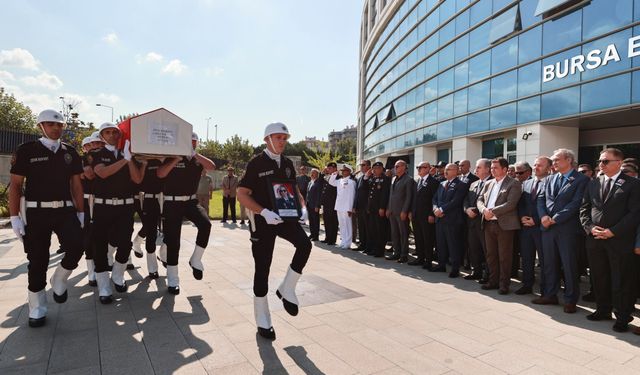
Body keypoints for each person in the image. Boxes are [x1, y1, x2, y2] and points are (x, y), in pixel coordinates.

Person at [9, 109, 85, 327]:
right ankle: (37, 308)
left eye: (59, 125)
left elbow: (76, 185)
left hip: (64, 211)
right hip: (36, 212)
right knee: (38, 260)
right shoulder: (27, 151)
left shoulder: (70, 152)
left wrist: (80, 212)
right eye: (51, 124)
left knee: (77, 245)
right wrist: (14, 216)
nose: (56, 128)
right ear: (41, 126)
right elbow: (16, 184)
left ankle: (59, 278)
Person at [236, 122, 311, 341]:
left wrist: (302, 207)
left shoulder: (287, 163)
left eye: (285, 138)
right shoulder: (256, 163)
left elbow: (293, 189)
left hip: (285, 216)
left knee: (305, 245)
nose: (282, 141)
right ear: (267, 139)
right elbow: (242, 193)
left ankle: (287, 288)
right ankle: (262, 318)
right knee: (263, 267)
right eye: (278, 137)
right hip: (263, 219)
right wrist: (263, 212)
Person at [580, 148, 640, 332]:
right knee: (599, 277)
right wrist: (590, 228)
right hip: (595, 239)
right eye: (600, 161)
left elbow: (634, 214)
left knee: (620, 279)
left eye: (605, 161)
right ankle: (603, 309)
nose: (601, 165)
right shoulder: (594, 183)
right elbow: (584, 209)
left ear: (619, 163)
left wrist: (612, 231)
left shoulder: (632, 184)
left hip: (619, 241)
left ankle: (622, 316)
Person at [90, 122, 145, 304]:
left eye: (115, 132)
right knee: (99, 246)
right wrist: (126, 160)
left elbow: (137, 180)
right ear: (102, 136)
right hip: (103, 206)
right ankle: (104, 287)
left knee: (124, 244)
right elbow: (102, 173)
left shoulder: (126, 154)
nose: (113, 135)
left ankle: (118, 274)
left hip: (125, 206)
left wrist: (131, 160)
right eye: (108, 132)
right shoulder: (96, 154)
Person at [156, 132, 215, 294]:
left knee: (205, 224)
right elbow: (160, 174)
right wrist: (176, 158)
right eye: (189, 141)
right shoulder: (172, 156)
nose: (192, 144)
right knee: (173, 241)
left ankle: (195, 260)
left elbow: (211, 166)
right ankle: (173, 279)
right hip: (172, 201)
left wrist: (195, 154)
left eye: (194, 142)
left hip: (190, 201)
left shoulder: (197, 160)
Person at [533, 149, 589, 313]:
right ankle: (550, 295)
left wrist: (555, 218)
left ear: (569, 160)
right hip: (548, 228)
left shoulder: (581, 180)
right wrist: (543, 216)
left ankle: (571, 299)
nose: (554, 163)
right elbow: (541, 199)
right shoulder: (549, 178)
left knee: (569, 265)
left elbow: (576, 203)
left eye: (557, 160)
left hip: (567, 229)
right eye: (553, 160)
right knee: (549, 263)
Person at [476, 158, 522, 294]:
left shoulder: (514, 183)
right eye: (491, 168)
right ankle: (493, 281)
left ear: (504, 169)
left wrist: (492, 211)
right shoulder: (489, 183)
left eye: (495, 168)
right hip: (488, 223)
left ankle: (504, 284)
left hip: (504, 225)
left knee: (504, 256)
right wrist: (484, 210)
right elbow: (479, 199)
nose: (492, 170)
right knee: (491, 255)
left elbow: (511, 203)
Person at [516, 156, 551, 295]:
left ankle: (545, 288)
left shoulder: (551, 183)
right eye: (535, 165)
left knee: (545, 260)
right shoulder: (526, 184)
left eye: (540, 165)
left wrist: (535, 220)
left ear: (549, 168)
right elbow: (520, 204)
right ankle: (527, 284)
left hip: (543, 228)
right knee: (526, 257)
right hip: (526, 228)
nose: (536, 167)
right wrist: (521, 217)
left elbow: (550, 207)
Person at [431, 163, 467, 277]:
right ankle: (441, 265)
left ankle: (455, 269)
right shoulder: (441, 183)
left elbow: (456, 201)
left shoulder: (461, 184)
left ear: (456, 171)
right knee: (441, 244)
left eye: (448, 170)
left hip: (452, 220)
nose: (445, 172)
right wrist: (436, 208)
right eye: (445, 169)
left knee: (453, 245)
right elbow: (435, 198)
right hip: (440, 219)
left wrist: (442, 209)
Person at [79, 132, 104, 287]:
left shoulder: (106, 157)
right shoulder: (82, 160)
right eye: (90, 145)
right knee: (88, 237)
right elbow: (89, 176)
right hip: (87, 200)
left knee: (105, 236)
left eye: (97, 144)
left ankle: (104, 263)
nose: (94, 147)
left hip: (102, 200)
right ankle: (91, 273)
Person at [131, 158, 163, 279]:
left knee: (164, 230)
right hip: (143, 197)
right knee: (150, 231)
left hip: (163, 198)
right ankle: (152, 268)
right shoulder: (139, 158)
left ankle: (162, 254)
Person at [463, 158, 492, 281]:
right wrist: (466, 209)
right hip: (471, 222)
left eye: (479, 167)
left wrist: (476, 210)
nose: (475, 170)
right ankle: (476, 271)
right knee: (473, 248)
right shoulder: (473, 184)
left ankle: (488, 274)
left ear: (487, 169)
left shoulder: (492, 183)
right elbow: (466, 200)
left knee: (487, 250)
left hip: (484, 222)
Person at [410, 161, 439, 269]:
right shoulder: (417, 181)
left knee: (428, 238)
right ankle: (420, 258)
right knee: (418, 238)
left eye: (421, 167)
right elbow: (414, 199)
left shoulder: (433, 182)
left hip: (427, 215)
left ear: (428, 168)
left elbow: (435, 199)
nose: (418, 169)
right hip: (416, 215)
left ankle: (428, 260)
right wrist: (412, 211)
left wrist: (432, 214)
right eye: (417, 167)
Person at [385, 160, 415, 263]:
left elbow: (409, 197)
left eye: (397, 166)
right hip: (393, 211)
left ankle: (404, 254)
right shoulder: (393, 179)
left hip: (401, 212)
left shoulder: (409, 180)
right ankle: (396, 252)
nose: (395, 168)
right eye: (395, 166)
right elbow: (391, 195)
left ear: (403, 167)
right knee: (394, 233)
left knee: (403, 234)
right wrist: (388, 208)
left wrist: (405, 211)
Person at [365, 162, 390, 257]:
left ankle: (379, 251)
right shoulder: (373, 179)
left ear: (381, 169)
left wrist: (382, 207)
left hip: (379, 209)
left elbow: (384, 195)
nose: (374, 170)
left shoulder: (385, 179)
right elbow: (369, 194)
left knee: (380, 230)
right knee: (373, 230)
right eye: (373, 168)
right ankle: (373, 248)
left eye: (377, 168)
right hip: (372, 209)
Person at [329, 164, 356, 249]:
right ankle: (343, 241)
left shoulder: (352, 182)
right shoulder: (339, 181)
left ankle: (348, 243)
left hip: (347, 207)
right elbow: (331, 182)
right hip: (339, 206)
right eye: (342, 171)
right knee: (342, 224)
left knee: (347, 225)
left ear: (349, 172)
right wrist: (334, 174)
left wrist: (350, 208)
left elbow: (352, 196)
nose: (343, 172)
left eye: (345, 171)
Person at [353, 160, 371, 252]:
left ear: (368, 166)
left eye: (363, 165)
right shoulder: (360, 178)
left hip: (366, 207)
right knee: (361, 227)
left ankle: (368, 246)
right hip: (359, 207)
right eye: (361, 165)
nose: (361, 167)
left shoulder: (370, 177)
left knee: (367, 228)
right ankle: (362, 244)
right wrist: (355, 206)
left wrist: (367, 177)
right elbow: (357, 193)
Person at [320, 162, 339, 245]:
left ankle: (332, 239)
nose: (328, 170)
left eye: (330, 168)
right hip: (326, 202)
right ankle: (327, 238)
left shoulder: (338, 177)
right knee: (326, 220)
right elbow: (320, 183)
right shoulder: (326, 176)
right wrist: (322, 173)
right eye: (328, 168)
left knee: (333, 221)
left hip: (333, 202)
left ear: (335, 168)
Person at [306, 168, 322, 241]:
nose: (312, 174)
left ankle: (316, 236)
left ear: (317, 174)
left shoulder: (318, 183)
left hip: (314, 205)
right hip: (309, 204)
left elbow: (319, 195)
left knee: (315, 221)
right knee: (311, 220)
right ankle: (312, 234)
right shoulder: (310, 182)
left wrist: (317, 205)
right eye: (311, 173)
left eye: (314, 173)